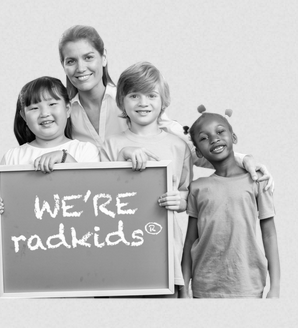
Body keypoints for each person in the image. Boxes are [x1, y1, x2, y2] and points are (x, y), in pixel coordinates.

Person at [58, 25, 273, 189]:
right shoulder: (62, 114)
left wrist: (243, 160)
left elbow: (188, 147)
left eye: (88, 57)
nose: (81, 68)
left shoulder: (133, 103)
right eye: (71, 61)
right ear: (64, 65)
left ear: (103, 57)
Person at [102, 62, 192, 297]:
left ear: (163, 101)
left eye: (151, 95)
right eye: (134, 95)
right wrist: (122, 157)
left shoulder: (179, 146)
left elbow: (187, 194)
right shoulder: (111, 145)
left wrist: (179, 201)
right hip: (117, 256)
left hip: (164, 255)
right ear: (121, 102)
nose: (143, 103)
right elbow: (99, 197)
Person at [180, 108, 280, 298]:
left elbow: (269, 236)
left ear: (233, 137)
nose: (214, 139)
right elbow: (190, 241)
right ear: (198, 153)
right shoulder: (197, 188)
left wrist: (275, 287)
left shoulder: (257, 180)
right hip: (204, 288)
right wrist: (184, 288)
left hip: (247, 285)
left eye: (220, 132)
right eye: (204, 138)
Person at [0, 76, 100, 217]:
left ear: (68, 109)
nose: (44, 113)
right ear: (23, 116)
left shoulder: (86, 150)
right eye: (34, 108)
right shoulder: (13, 157)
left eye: (52, 104)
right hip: (30, 237)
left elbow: (93, 200)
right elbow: (5, 221)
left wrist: (65, 158)